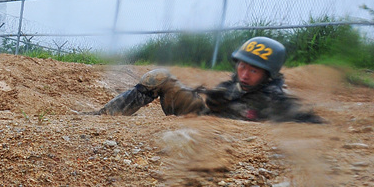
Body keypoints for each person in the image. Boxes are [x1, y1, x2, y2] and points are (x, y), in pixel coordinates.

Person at [94, 36, 323, 123]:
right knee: (159, 76)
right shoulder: (234, 84)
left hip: (218, 136)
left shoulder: (276, 102)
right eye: (242, 66)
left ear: (268, 74)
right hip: (203, 117)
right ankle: (104, 117)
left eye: (253, 71)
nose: (243, 74)